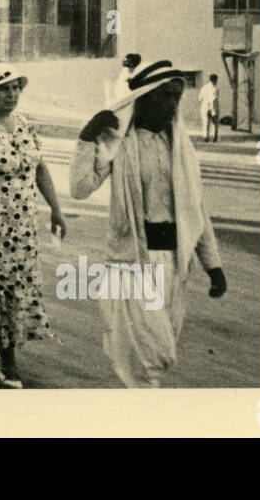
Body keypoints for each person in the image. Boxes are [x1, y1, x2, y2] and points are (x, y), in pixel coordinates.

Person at [70, 59, 229, 388]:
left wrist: (213, 265)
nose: (173, 105)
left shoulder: (179, 148)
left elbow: (195, 209)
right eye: (165, 96)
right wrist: (88, 138)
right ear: (143, 98)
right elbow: (80, 187)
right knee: (153, 353)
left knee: (154, 351)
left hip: (173, 262)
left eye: (177, 97)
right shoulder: (119, 143)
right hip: (132, 261)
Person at [0, 63, 67, 388]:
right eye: (5, 88)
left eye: (16, 88)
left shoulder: (26, 127)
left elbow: (41, 169)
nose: (12, 94)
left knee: (16, 291)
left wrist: (56, 210)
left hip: (24, 230)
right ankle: (8, 365)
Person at [199, 73, 220, 142]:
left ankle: (206, 136)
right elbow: (214, 99)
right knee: (215, 124)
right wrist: (214, 109)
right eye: (216, 80)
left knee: (206, 123)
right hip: (213, 107)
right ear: (214, 80)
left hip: (204, 107)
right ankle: (215, 137)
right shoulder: (215, 89)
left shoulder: (203, 88)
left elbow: (200, 99)